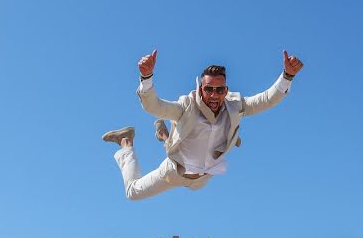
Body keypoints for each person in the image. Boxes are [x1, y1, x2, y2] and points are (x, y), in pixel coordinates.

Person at [102, 50, 303, 200]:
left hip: (202, 179)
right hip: (174, 173)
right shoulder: (186, 105)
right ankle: (125, 142)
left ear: (226, 90)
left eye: (219, 89)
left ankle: (164, 134)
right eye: (209, 89)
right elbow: (154, 106)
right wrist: (146, 78)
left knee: (181, 140)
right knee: (133, 193)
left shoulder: (235, 106)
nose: (214, 95)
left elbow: (266, 99)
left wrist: (287, 76)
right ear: (200, 89)